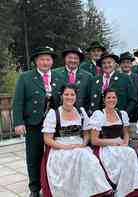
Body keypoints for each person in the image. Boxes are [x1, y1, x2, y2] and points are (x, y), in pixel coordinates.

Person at [40, 84, 113, 197]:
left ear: (76, 97)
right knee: (81, 155)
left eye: (72, 94)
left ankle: (99, 190)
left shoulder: (80, 112)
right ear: (61, 96)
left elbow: (86, 134)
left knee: (89, 158)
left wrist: (83, 144)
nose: (69, 97)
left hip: (79, 146)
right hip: (60, 148)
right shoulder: (54, 114)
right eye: (66, 94)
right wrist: (66, 147)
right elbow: (47, 139)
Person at [13, 46, 64, 197]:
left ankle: (51, 185)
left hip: (54, 125)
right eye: (42, 59)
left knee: (53, 155)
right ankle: (35, 188)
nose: (45, 62)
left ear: (52, 62)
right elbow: (18, 101)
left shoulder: (59, 77)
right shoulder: (25, 77)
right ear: (36, 61)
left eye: (48, 59)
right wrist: (18, 122)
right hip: (33, 123)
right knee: (34, 156)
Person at [90, 89, 138, 197]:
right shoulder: (99, 115)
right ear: (104, 100)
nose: (111, 100)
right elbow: (94, 140)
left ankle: (124, 190)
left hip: (120, 147)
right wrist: (113, 142)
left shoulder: (121, 114)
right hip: (105, 148)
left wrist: (124, 144)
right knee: (128, 154)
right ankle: (124, 191)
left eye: (114, 97)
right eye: (109, 98)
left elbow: (126, 133)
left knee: (129, 152)